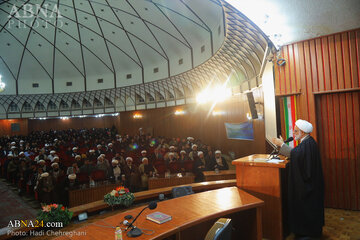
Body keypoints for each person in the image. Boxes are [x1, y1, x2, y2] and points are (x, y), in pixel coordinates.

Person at [272, 119, 324, 239]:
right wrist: (283, 145)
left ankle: (306, 233)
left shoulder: (307, 144)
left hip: (308, 187)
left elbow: (295, 154)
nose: (293, 134)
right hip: (312, 184)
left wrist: (282, 145)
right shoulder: (307, 142)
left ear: (303, 132)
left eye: (296, 131)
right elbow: (297, 154)